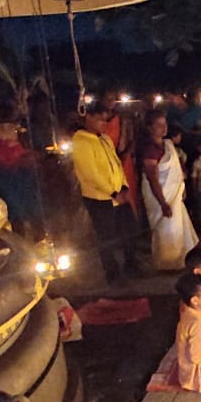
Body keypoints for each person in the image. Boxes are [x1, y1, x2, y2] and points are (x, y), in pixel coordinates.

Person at [71, 101, 140, 283]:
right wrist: (113, 192)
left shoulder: (105, 140)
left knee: (129, 231)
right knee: (106, 237)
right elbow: (90, 173)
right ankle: (113, 274)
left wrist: (124, 188)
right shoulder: (81, 141)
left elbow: (117, 166)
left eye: (105, 120)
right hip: (100, 198)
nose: (103, 123)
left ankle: (131, 265)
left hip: (118, 194)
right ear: (87, 118)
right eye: (99, 119)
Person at [140, 109, 197, 270]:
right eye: (158, 125)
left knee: (177, 228)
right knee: (167, 229)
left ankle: (180, 261)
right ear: (150, 128)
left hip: (174, 196)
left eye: (164, 124)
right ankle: (167, 264)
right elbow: (153, 179)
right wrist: (163, 203)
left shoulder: (167, 144)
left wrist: (181, 189)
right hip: (161, 198)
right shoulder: (150, 150)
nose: (163, 128)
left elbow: (176, 173)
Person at [0, 104, 45, 241]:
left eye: (10, 126)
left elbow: (41, 155)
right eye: (2, 127)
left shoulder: (27, 140)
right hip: (9, 195)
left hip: (29, 191)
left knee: (37, 222)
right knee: (17, 227)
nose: (7, 131)